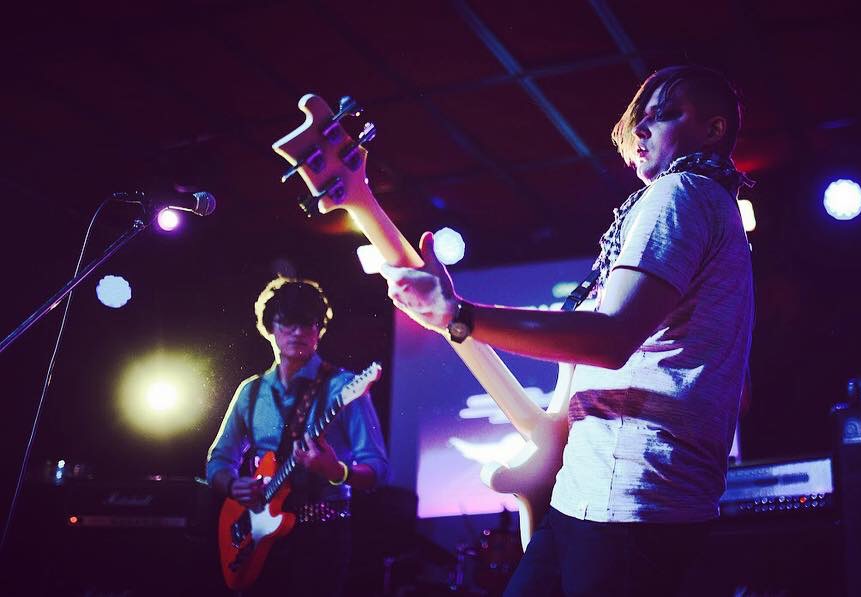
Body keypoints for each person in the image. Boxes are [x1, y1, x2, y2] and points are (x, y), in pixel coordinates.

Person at [381, 64, 754, 596]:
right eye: (639, 119)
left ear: (714, 131)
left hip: (623, 500)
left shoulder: (680, 195)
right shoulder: (713, 208)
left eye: (665, 114)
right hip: (601, 496)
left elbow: (610, 337)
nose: (642, 129)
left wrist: (460, 316)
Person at [207, 276, 389, 596]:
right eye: (288, 322)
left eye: (308, 323)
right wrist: (234, 485)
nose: (298, 332)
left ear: (319, 330)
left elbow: (378, 469)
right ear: (270, 327)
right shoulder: (250, 392)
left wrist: (337, 472)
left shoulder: (343, 388)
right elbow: (219, 459)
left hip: (322, 535)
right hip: (258, 532)